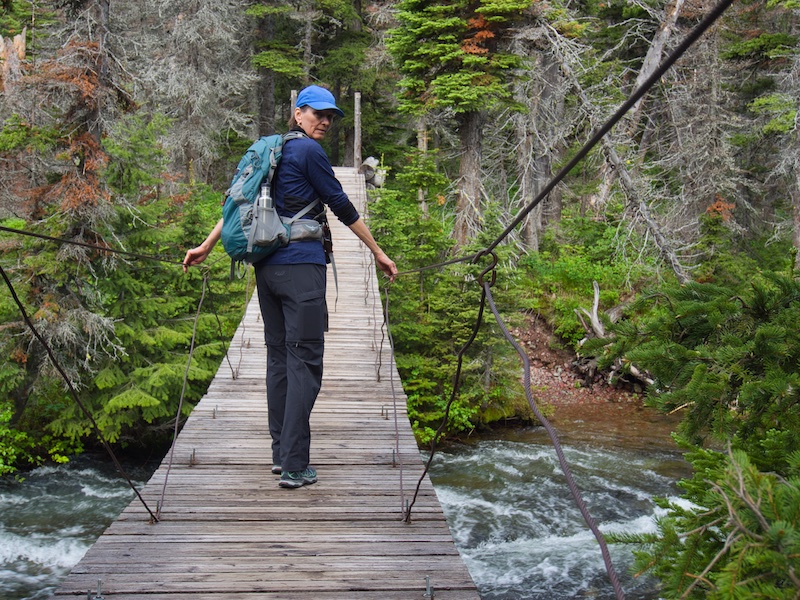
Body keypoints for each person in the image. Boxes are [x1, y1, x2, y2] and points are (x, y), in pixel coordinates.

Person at [183, 85, 397, 489]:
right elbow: (342, 205)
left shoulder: (273, 151)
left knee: (280, 360)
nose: (326, 121)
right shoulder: (308, 152)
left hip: (267, 273)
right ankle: (296, 465)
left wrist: (207, 246)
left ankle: (281, 454)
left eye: (330, 116)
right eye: (317, 113)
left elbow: (239, 205)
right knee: (305, 363)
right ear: (297, 114)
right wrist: (378, 253)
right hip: (301, 270)